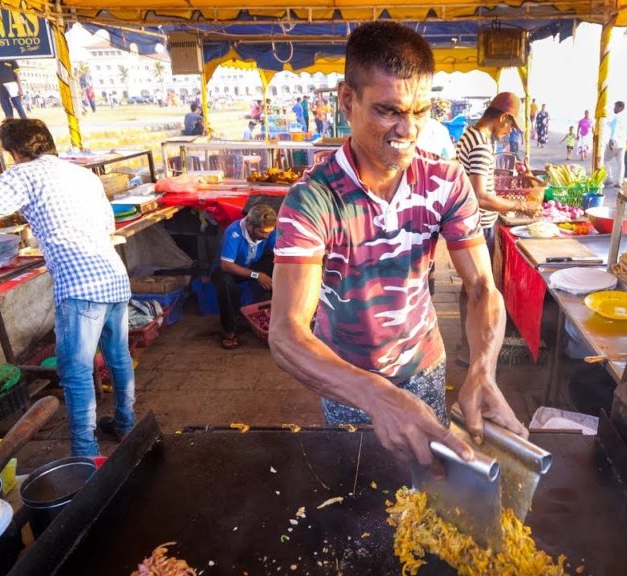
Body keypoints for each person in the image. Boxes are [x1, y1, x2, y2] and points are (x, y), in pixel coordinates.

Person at [269, 21, 526, 469]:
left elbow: (483, 287)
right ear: (348, 100)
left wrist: (482, 367)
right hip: (347, 383)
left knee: (429, 496)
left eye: (422, 111)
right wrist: (376, 395)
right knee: (354, 495)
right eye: (389, 110)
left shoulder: (446, 182)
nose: (408, 131)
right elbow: (287, 333)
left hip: (424, 367)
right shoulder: (313, 198)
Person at [0, 119, 134, 457]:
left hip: (81, 286)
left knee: (77, 372)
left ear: (15, 152)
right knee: (118, 358)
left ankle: (85, 451)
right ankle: (126, 424)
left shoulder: (24, 174)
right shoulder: (83, 174)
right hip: (113, 275)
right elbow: (107, 224)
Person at [454, 92, 538, 366]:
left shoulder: (470, 135)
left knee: (472, 286)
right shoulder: (480, 143)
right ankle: (472, 351)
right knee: (478, 289)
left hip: (470, 224)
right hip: (477, 225)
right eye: (510, 125)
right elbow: (481, 196)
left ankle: (468, 344)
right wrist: (520, 206)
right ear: (503, 117)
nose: (509, 131)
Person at [213, 205, 277, 350]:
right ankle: (229, 331)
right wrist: (256, 275)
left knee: (279, 267)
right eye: (262, 232)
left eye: (269, 232)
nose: (266, 236)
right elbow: (226, 265)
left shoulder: (270, 230)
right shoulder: (233, 232)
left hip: (251, 266)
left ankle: (278, 318)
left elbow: (279, 252)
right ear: (249, 225)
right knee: (224, 282)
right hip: (228, 270)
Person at [604, 101, 627, 187]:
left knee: (606, 160)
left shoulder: (616, 117)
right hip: (623, 143)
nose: (614, 108)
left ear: (620, 107)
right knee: (621, 163)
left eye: (615, 107)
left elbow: (614, 130)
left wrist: (611, 141)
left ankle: (609, 178)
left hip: (615, 142)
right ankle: (619, 182)